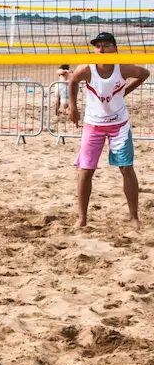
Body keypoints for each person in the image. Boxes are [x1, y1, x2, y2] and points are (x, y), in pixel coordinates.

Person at [68, 32, 149, 229]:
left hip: (119, 125)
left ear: (115, 48)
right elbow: (72, 80)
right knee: (86, 171)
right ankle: (82, 219)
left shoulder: (122, 68)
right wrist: (73, 108)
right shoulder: (88, 69)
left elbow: (145, 74)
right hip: (93, 125)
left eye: (105, 45)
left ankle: (133, 216)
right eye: (98, 46)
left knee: (126, 168)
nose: (101, 49)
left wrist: (125, 91)